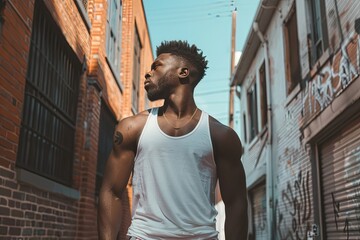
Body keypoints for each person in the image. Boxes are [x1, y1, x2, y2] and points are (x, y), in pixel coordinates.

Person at [98, 40, 248, 240]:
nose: (148, 73)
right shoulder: (132, 128)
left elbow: (236, 203)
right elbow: (112, 192)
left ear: (183, 72)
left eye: (156, 66)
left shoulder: (221, 136)